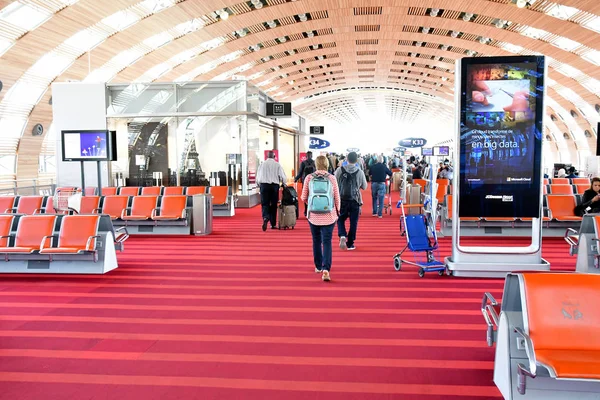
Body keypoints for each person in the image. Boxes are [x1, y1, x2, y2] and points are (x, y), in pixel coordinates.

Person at [301, 156, 341, 281]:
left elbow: (303, 197)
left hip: (313, 216)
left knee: (316, 240)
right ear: (327, 164)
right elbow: (337, 197)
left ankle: (318, 266)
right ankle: (326, 269)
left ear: (316, 165)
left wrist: (312, 204)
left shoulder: (309, 178)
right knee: (327, 242)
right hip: (329, 215)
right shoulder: (332, 178)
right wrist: (337, 211)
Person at [335, 152, 367, 251]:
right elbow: (365, 186)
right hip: (355, 200)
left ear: (346, 159)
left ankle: (342, 235)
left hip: (342, 199)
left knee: (340, 219)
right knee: (354, 222)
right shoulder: (360, 172)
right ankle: (350, 243)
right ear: (356, 160)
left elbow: (334, 183)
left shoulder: (339, 170)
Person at [256, 151, 287, 231]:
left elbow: (258, 177)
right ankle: (273, 224)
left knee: (265, 203)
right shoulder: (277, 164)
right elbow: (283, 176)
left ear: (266, 156)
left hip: (264, 186)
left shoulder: (262, 165)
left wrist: (259, 185)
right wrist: (284, 183)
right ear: (274, 156)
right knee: (273, 204)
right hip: (274, 186)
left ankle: (266, 217)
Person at [295, 151, 316, 216]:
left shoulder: (303, 163)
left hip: (305, 182)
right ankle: (313, 209)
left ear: (306, 156)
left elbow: (300, 173)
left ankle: (306, 211)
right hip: (314, 182)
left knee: (305, 196)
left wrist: (296, 179)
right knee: (313, 195)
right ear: (312, 156)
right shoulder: (314, 163)